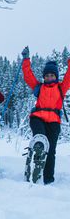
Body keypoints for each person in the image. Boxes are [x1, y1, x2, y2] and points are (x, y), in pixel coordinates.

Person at [21, 46, 70, 184]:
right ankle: (37, 151)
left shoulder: (61, 87)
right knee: (41, 140)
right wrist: (26, 60)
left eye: (52, 75)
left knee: (51, 150)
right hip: (38, 118)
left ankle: (48, 179)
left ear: (56, 76)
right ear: (44, 77)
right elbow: (28, 76)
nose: (49, 77)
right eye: (47, 75)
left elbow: (69, 76)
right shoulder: (39, 87)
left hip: (54, 122)